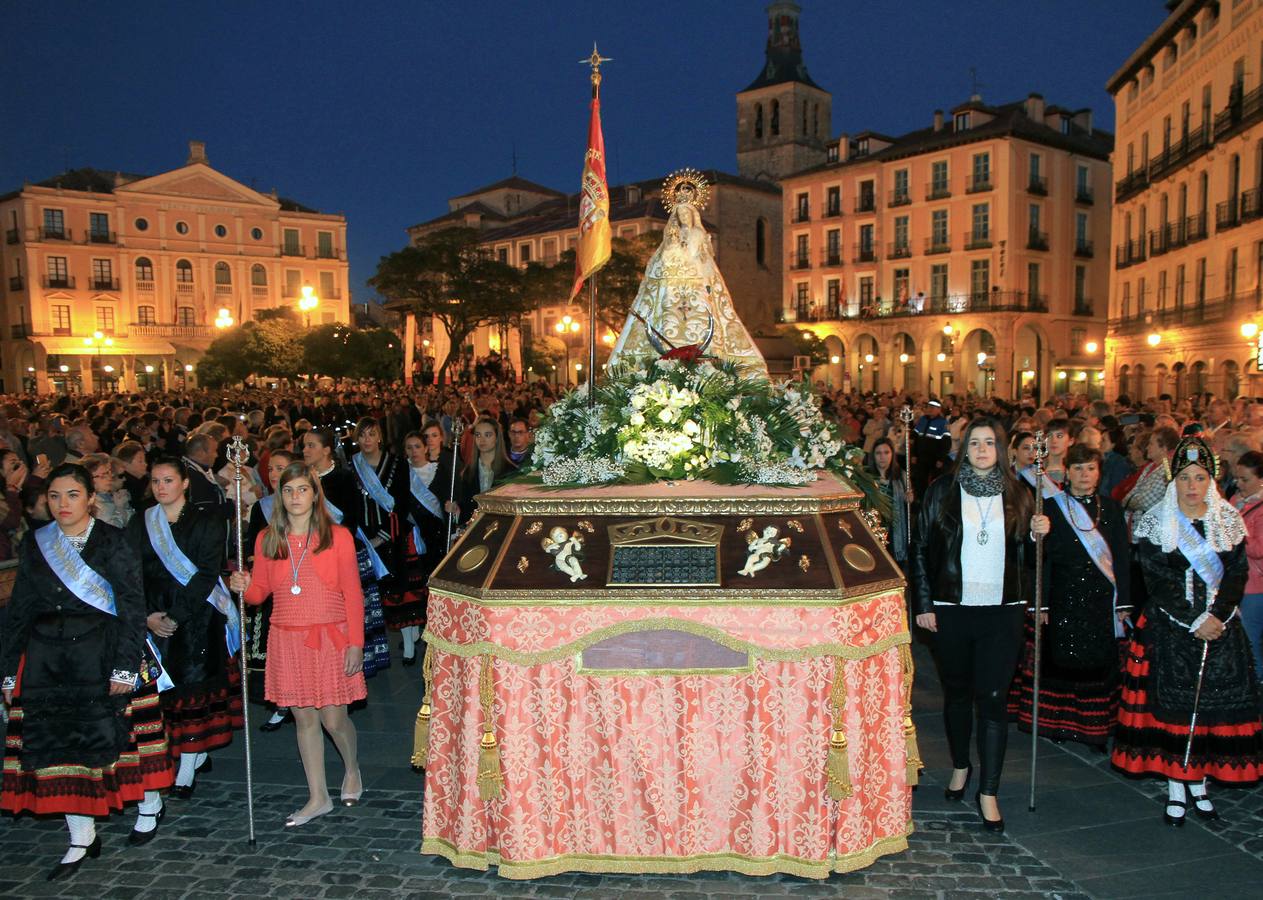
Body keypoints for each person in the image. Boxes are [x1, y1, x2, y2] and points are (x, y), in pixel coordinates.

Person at [1, 464, 174, 878]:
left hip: (103, 653)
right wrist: (8, 670)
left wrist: (125, 667)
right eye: (55, 496)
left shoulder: (113, 541)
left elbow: (131, 605)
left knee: (124, 741)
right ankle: (81, 835)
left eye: (73, 495)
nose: (63, 504)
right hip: (49, 660)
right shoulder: (37, 543)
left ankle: (149, 804)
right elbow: (21, 606)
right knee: (62, 747)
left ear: (90, 498)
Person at [1112, 437, 1263, 825]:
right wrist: (1194, 618)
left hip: (1220, 627)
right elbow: (1156, 579)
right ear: (1173, 481)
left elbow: (1237, 573)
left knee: (1211, 710)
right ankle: (1177, 785)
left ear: (1211, 480)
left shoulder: (1227, 520)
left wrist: (1217, 615)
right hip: (1170, 627)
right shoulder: (1157, 523)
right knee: (1174, 711)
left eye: (1199, 477)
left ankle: (1200, 782)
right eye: (1184, 478)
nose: (1192, 486)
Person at [911, 417, 1041, 834]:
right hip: (952, 607)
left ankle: (989, 791)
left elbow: (1030, 561)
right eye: (975, 443)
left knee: (993, 698)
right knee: (957, 693)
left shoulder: (1020, 493)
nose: (982, 450)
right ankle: (961, 765)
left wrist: (1038, 536)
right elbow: (920, 549)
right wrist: (924, 603)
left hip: (1003, 609)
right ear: (963, 448)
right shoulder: (942, 491)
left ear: (1001, 449)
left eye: (990, 442)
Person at [229, 462, 366, 828]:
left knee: (334, 719)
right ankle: (318, 796)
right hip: (287, 637)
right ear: (279, 496)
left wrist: (356, 643)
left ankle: (351, 768)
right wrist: (244, 586)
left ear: (315, 494)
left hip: (330, 636)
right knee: (304, 718)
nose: (295, 497)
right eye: (288, 490)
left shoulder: (337, 537)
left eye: (302, 489)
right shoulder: (268, 538)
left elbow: (353, 593)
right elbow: (259, 594)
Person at [128, 457, 241, 799]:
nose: (161, 487)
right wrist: (147, 614)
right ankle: (182, 754)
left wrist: (176, 616)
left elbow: (207, 574)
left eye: (168, 480)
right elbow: (131, 571)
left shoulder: (207, 520)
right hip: (154, 613)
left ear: (185, 483)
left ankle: (188, 765)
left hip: (197, 615)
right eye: (156, 481)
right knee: (164, 694)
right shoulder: (141, 521)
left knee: (192, 691)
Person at [1012, 444, 1131, 750]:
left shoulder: (1112, 508)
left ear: (1099, 472)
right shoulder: (1052, 508)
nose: (1084, 474)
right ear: (1067, 471)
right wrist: (1041, 601)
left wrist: (1124, 601)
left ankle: (1095, 729)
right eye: (1078, 468)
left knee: (1097, 664)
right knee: (1063, 662)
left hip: (1100, 598)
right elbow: (1040, 559)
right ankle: (1059, 725)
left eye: (1090, 468)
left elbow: (1121, 556)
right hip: (1063, 595)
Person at [606, 169, 767, 375]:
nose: (683, 217)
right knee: (666, 316)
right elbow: (661, 261)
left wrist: (694, 268)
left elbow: (702, 260)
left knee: (703, 321)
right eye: (680, 215)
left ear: (693, 215)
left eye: (686, 214)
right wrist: (670, 251)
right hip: (672, 290)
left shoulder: (698, 233)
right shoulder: (671, 237)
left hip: (695, 286)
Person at [301, 428, 390, 676]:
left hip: (340, 552)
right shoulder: (302, 478)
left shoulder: (343, 477)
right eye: (304, 446)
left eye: (311, 445)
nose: (305, 450)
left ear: (326, 450)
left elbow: (350, 519)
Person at [348, 418, 413, 657]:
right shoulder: (351, 465)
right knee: (368, 595)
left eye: (371, 434)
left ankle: (408, 644)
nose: (367, 439)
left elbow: (403, 502)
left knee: (398, 592)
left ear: (380, 437)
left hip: (392, 535)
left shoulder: (397, 463)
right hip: (362, 536)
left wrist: (383, 537)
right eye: (362, 434)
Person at [245, 449, 298, 730]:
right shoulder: (262, 507)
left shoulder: (306, 506)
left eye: (281, 468)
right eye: (271, 469)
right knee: (275, 649)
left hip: (299, 589)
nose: (275, 474)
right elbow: (254, 548)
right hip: (272, 589)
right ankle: (282, 702)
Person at [399, 425, 454, 663]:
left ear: (425, 448)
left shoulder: (439, 471)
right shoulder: (402, 474)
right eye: (409, 447)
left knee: (433, 585)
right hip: (411, 537)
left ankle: (433, 629)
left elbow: (448, 500)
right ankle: (415, 628)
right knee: (414, 585)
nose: (414, 451)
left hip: (435, 537)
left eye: (417, 446)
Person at [1231, 450, 1263, 690]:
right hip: (1235, 581)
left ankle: (1257, 690)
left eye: (1245, 479)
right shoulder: (1236, 500)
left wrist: (1235, 532)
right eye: (1237, 478)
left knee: (1251, 641)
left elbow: (1258, 549)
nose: (1239, 484)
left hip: (1255, 586)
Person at [455, 416, 517, 527]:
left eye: (487, 435)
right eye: (478, 435)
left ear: (497, 438)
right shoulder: (467, 472)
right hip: (473, 529)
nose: (482, 440)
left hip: (500, 528)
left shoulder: (510, 472)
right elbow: (464, 508)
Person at [869, 437, 909, 564]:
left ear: (892, 454)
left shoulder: (901, 476)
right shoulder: (867, 476)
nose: (883, 457)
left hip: (895, 530)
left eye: (886, 452)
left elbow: (907, 505)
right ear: (873, 455)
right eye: (878, 453)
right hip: (874, 528)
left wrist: (909, 499)